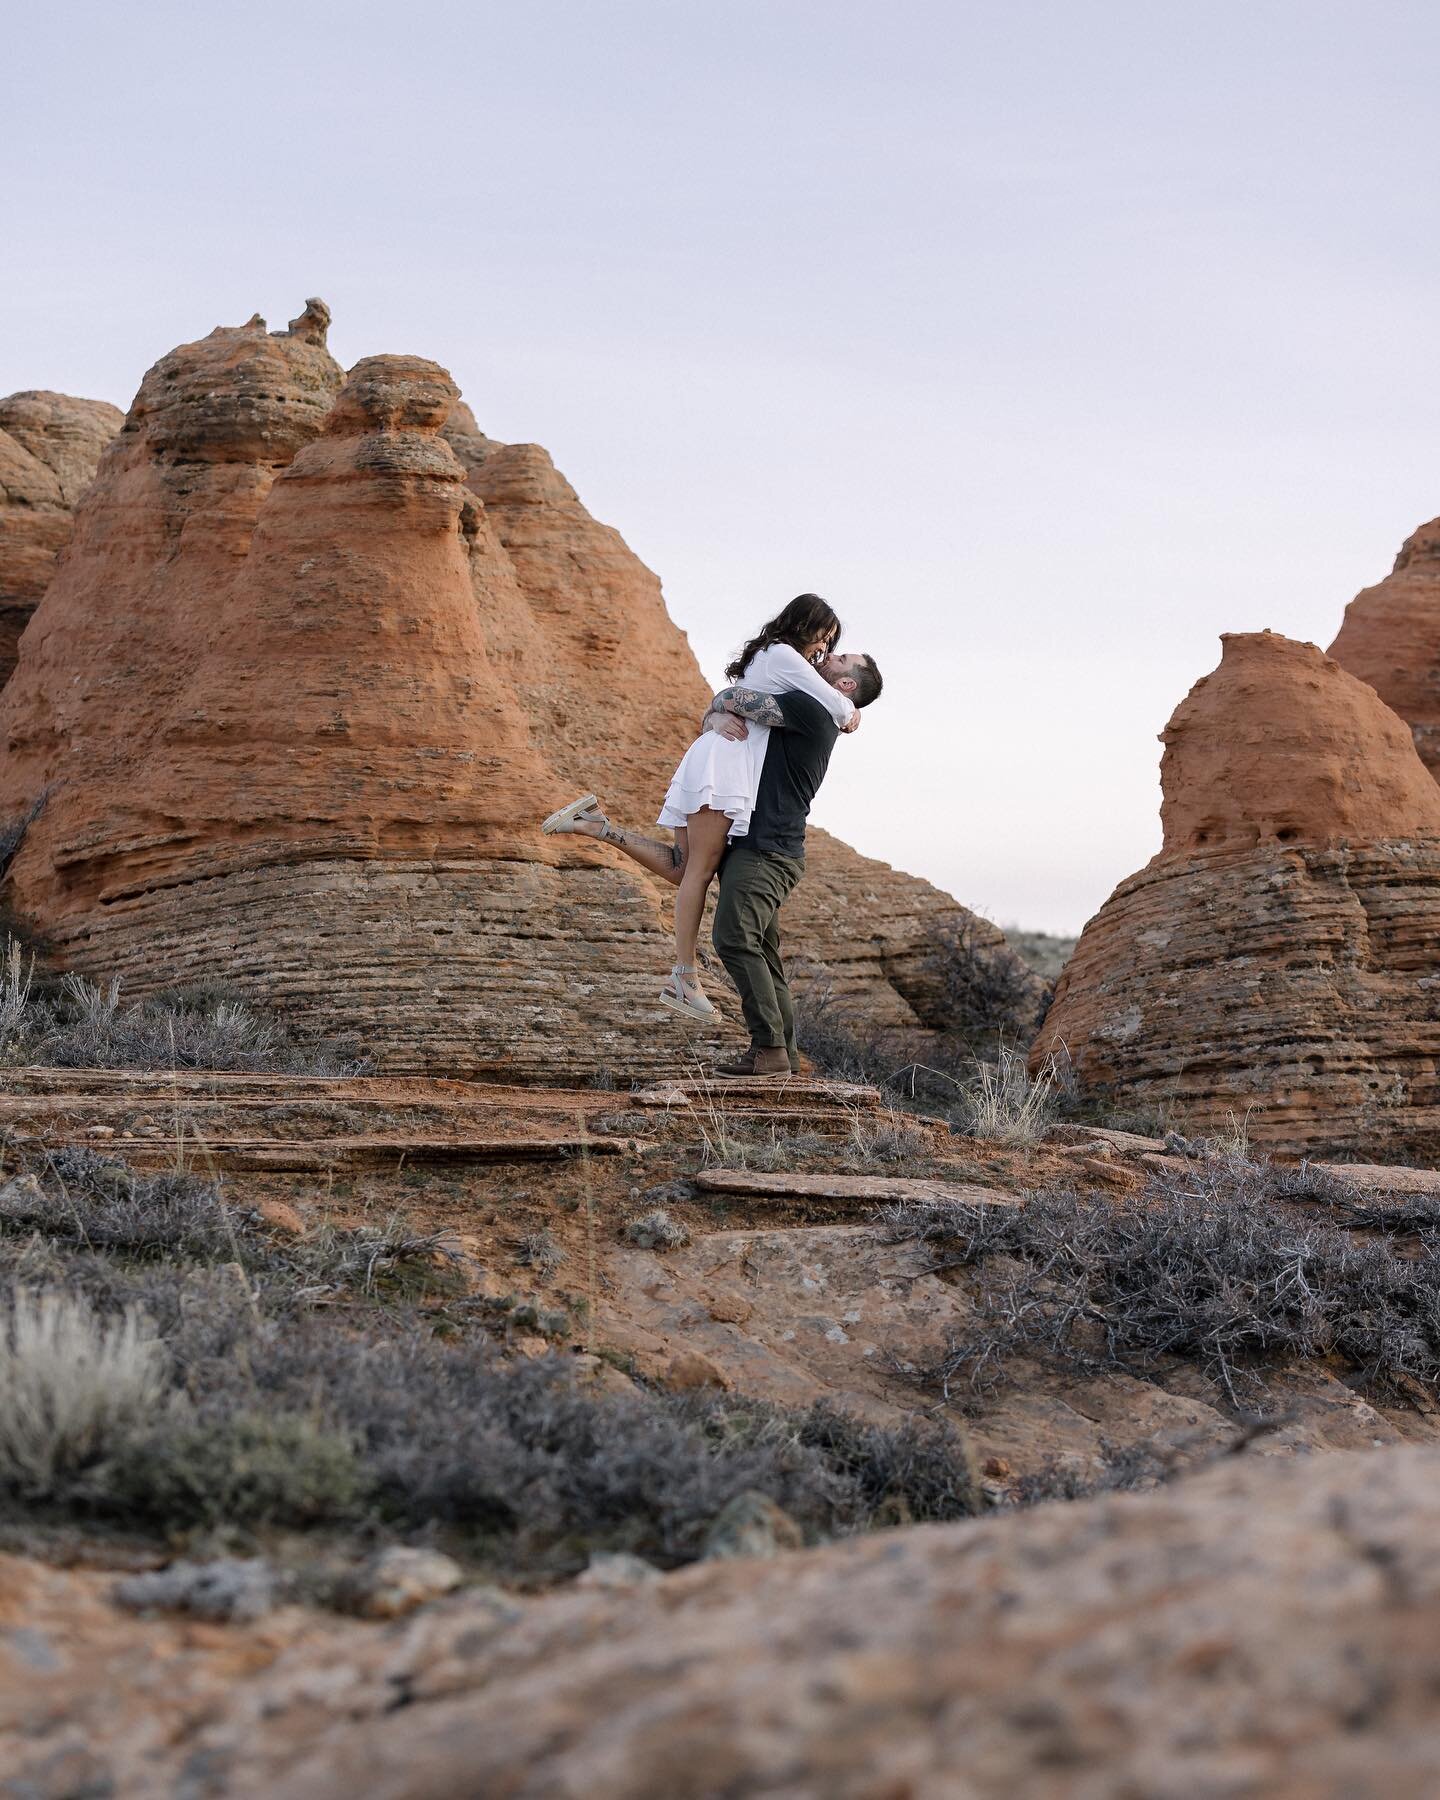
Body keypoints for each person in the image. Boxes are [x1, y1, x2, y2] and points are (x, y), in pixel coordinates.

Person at [543, 627, 883, 1076]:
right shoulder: (814, 703)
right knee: (759, 947)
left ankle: (770, 1050)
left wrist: (721, 709)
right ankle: (782, 1056)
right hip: (759, 846)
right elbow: (734, 704)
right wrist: (713, 718)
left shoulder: (814, 708)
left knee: (734, 937)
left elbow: (736, 698)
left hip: (768, 851)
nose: (830, 656)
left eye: (841, 660)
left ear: (846, 685)